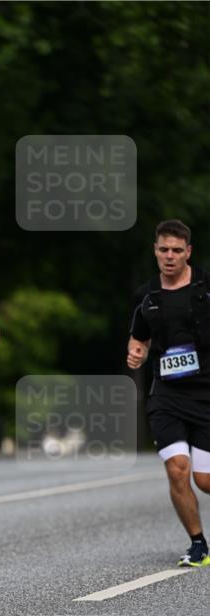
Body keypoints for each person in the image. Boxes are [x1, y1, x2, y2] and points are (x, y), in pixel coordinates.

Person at [127, 219, 210, 567]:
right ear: (155, 251)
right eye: (164, 250)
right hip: (166, 397)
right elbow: (139, 337)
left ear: (188, 252)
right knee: (178, 469)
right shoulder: (147, 295)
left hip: (206, 396)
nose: (170, 256)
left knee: (205, 480)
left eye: (177, 250)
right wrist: (136, 353)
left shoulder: (206, 287)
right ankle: (198, 544)